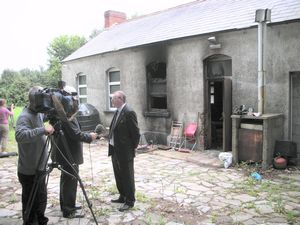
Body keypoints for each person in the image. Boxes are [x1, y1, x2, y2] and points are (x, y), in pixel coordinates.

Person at [52, 85, 97, 219]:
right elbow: (75, 134)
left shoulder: (66, 113)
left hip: (67, 153)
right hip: (68, 154)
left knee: (67, 179)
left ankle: (67, 204)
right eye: (73, 99)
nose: (75, 102)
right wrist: (90, 137)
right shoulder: (65, 116)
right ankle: (68, 209)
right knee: (70, 180)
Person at [15, 86, 55, 225]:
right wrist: (42, 130)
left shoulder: (37, 113)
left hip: (39, 167)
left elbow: (46, 115)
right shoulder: (24, 116)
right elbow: (20, 135)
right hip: (29, 171)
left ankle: (41, 221)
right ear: (34, 102)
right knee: (31, 204)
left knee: (41, 199)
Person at [108, 90, 140, 212]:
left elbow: (135, 133)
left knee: (127, 176)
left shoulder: (129, 112)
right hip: (115, 150)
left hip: (125, 151)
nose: (112, 100)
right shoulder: (117, 111)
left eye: (114, 98)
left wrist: (132, 148)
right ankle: (122, 195)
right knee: (119, 175)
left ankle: (130, 200)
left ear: (120, 99)